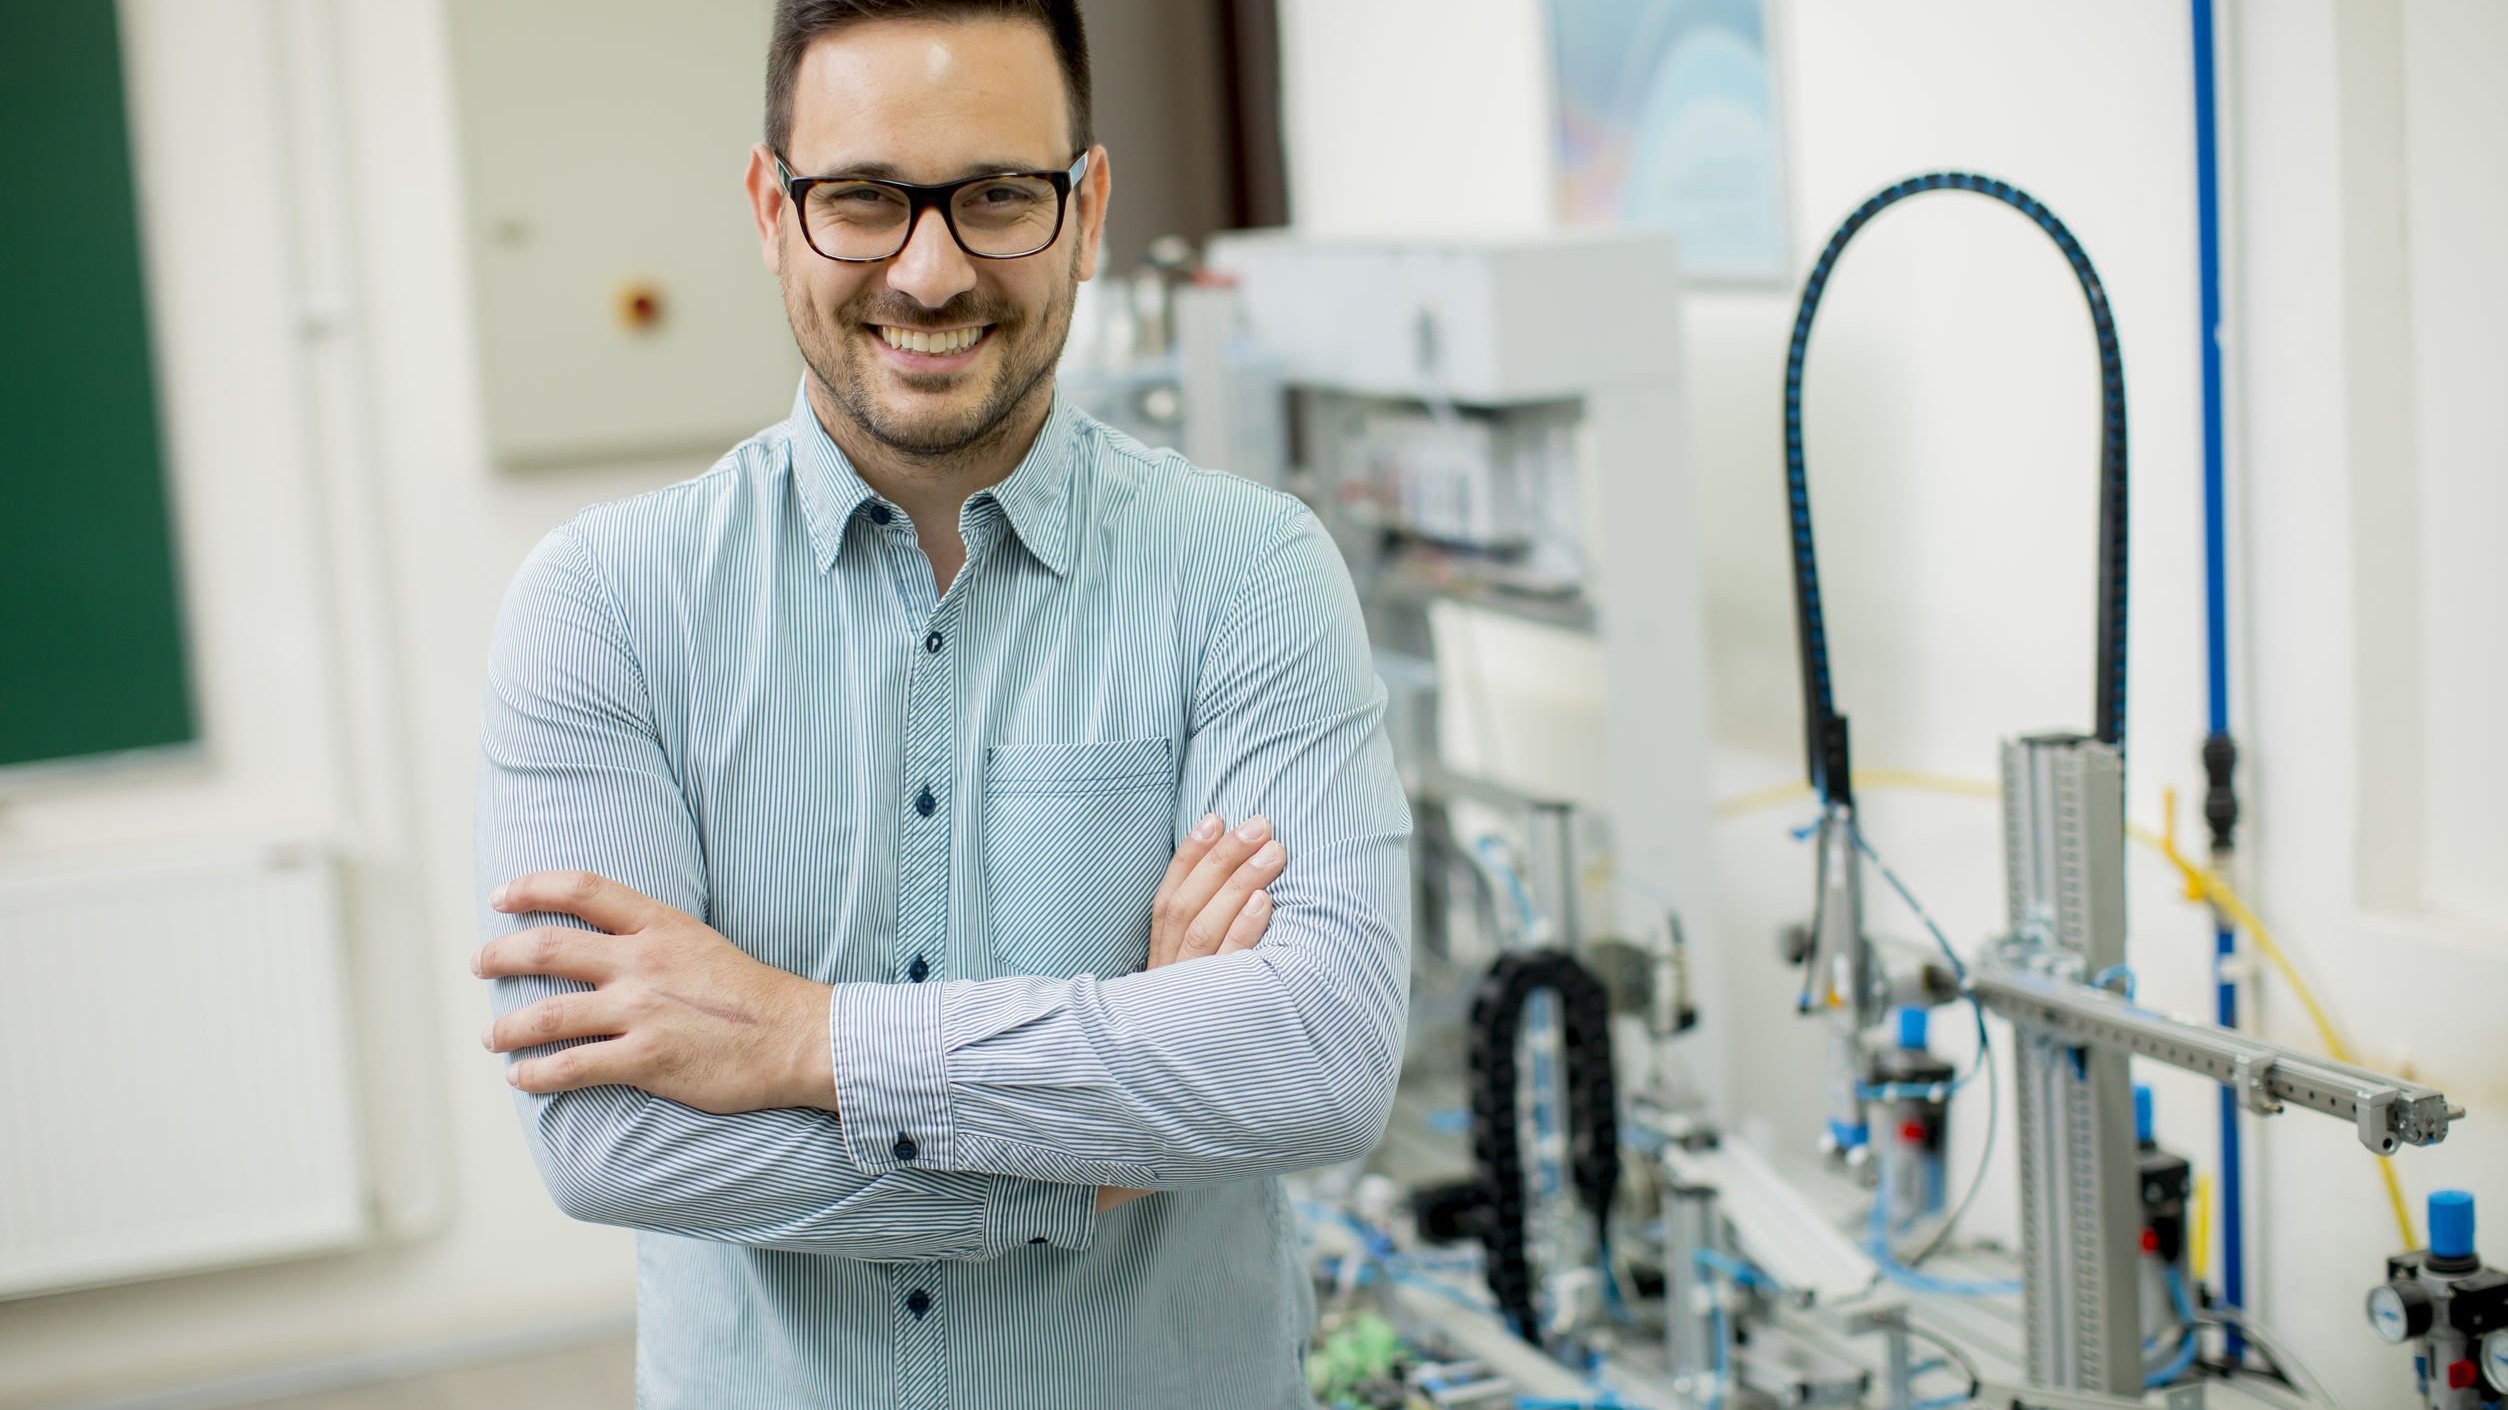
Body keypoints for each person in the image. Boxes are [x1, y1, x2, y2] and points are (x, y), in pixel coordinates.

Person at [468, 2, 1411, 1405]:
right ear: (770, 209)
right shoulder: (606, 606)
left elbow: (1320, 1054)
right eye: (861, 200)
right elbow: (614, 1140)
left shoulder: (1248, 575)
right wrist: (1099, 1159)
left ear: (1086, 211)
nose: (928, 270)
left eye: (995, 197)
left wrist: (804, 1039)